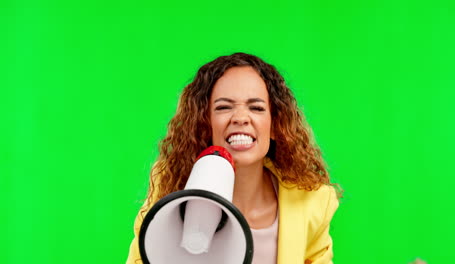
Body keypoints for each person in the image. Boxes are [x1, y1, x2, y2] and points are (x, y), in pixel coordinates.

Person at [126, 53, 341, 264]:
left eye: (256, 107)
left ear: (276, 125)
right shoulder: (169, 192)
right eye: (223, 107)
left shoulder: (312, 203)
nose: (240, 118)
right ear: (205, 124)